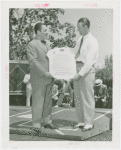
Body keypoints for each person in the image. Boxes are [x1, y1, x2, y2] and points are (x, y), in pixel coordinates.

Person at [27, 22, 58, 131]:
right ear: (38, 32)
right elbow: (33, 62)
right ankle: (36, 124)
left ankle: (47, 121)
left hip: (50, 78)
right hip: (39, 77)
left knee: (48, 102)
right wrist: (45, 73)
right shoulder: (32, 44)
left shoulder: (49, 43)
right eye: (45, 30)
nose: (47, 32)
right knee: (38, 101)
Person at [72, 17, 99, 131]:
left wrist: (80, 74)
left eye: (80, 28)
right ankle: (81, 121)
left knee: (87, 97)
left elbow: (88, 62)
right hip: (77, 67)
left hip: (86, 70)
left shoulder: (92, 41)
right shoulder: (80, 39)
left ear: (86, 26)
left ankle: (89, 122)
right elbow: (74, 54)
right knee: (78, 96)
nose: (78, 30)